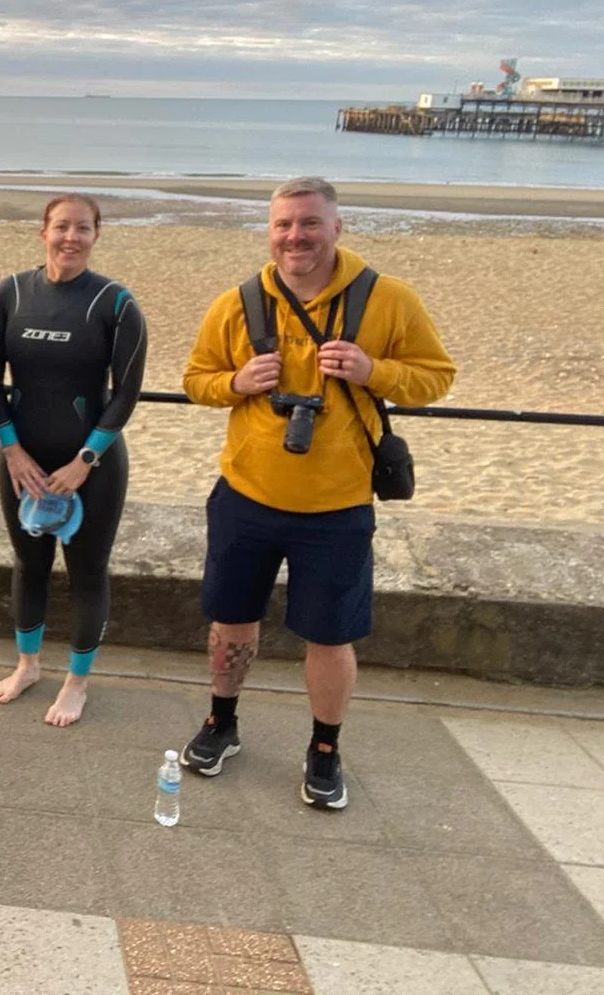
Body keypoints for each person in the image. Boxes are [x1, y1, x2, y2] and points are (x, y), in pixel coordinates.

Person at [179, 176, 455, 809]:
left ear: (337, 226)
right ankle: (222, 722)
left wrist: (372, 371)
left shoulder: (389, 300)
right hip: (247, 496)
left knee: (330, 638)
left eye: (308, 223)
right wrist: (238, 382)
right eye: (282, 225)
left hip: (337, 506)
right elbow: (197, 378)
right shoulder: (238, 302)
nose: (294, 236)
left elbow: (437, 377)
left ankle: (325, 749)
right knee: (231, 623)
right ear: (268, 231)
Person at [0, 194, 148, 727]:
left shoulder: (118, 304)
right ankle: (27, 665)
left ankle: (77, 682)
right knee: (29, 565)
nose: (70, 237)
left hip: (90, 466)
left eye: (82, 228)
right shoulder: (9, 294)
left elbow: (126, 393)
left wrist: (85, 460)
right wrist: (12, 449)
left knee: (87, 572)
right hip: (22, 462)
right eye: (60, 227)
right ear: (42, 232)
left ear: (97, 235)